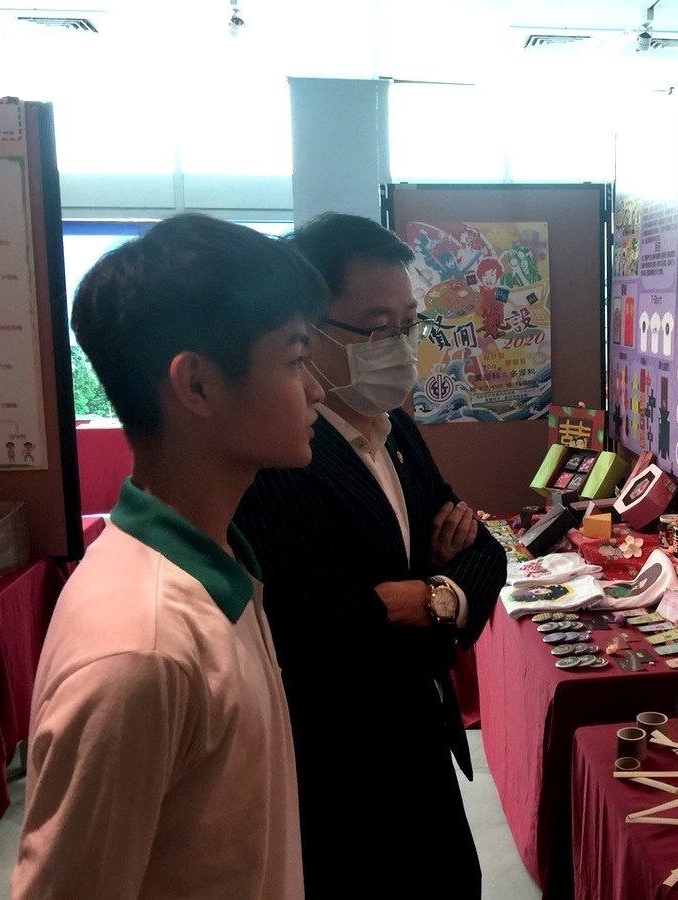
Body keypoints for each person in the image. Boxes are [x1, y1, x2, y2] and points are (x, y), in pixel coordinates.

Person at [12, 213, 329, 897]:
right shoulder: (142, 650)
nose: (316, 390)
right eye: (295, 359)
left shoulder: (213, 565)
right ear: (197, 386)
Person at [234, 212, 507, 895]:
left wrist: (433, 596)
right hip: (343, 769)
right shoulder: (282, 461)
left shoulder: (399, 431)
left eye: (410, 323)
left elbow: (485, 550)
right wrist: (430, 599)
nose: (400, 345)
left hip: (424, 740)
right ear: (307, 330)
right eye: (376, 326)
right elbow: (339, 639)